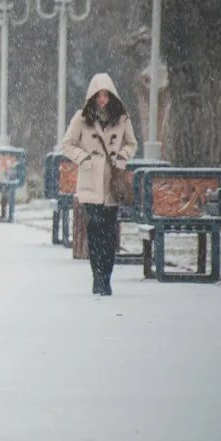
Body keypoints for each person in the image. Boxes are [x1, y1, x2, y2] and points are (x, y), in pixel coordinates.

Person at [61, 73, 138, 296]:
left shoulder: (122, 118)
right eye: (99, 95)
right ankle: (98, 278)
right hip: (91, 184)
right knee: (95, 232)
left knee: (110, 233)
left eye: (106, 95)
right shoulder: (82, 118)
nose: (102, 99)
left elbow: (131, 143)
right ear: (92, 96)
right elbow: (68, 144)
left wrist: (121, 158)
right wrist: (85, 158)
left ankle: (107, 277)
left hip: (112, 184)